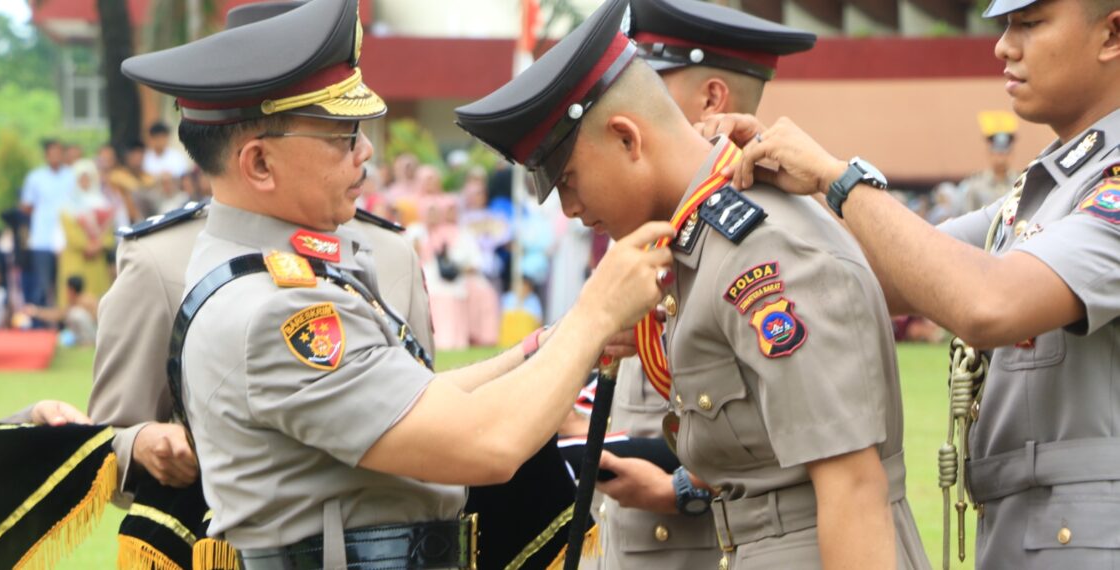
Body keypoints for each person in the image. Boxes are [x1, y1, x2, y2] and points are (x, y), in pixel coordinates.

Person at [119, 2, 670, 569]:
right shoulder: (277, 313)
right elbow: (488, 443)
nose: (365, 151)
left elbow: (416, 397)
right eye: (343, 136)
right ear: (259, 164)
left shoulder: (273, 274)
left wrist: (548, 346)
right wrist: (594, 316)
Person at [455, 1, 928, 568]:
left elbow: (854, 491)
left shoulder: (762, 257)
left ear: (627, 139)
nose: (570, 210)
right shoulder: (694, 250)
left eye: (570, 180)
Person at [722, 0, 1120, 567]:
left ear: (1112, 34)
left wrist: (838, 180)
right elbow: (882, 274)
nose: (1003, 46)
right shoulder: (1050, 187)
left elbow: (987, 302)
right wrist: (780, 193)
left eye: (1029, 24)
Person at [583, 3, 818, 568]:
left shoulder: (758, 240)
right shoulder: (655, 221)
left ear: (712, 100)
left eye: (648, 86)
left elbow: (807, 437)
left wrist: (682, 490)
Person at [19, 139, 73, 310]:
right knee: (42, 284)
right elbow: (26, 205)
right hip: (42, 238)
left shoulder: (72, 175)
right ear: (46, 155)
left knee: (64, 283)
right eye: (52, 152)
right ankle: (39, 321)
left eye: (58, 152)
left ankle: (62, 320)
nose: (55, 156)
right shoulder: (35, 177)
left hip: (67, 239)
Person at [56, 159, 114, 309]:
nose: (84, 182)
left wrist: (99, 245)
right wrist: (87, 245)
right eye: (81, 179)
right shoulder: (68, 206)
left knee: (98, 302)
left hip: (97, 261)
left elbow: (109, 234)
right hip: (76, 259)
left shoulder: (103, 204)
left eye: (87, 178)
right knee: (74, 301)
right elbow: (70, 233)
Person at [960, 110, 1021, 212]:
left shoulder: (1021, 184)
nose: (1001, 158)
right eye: (997, 152)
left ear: (1012, 153)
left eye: (1004, 152)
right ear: (988, 152)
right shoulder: (976, 186)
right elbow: (968, 216)